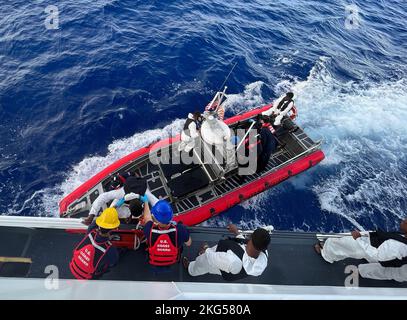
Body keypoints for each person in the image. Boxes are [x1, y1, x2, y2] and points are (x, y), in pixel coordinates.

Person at [315, 219, 407, 282]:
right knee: (395, 271)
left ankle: (326, 252)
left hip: (372, 247)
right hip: (390, 254)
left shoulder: (397, 246)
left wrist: (358, 239)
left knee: (341, 242)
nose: (404, 220)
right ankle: (363, 270)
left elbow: (377, 255)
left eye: (406, 222)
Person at [183, 224, 270, 281]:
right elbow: (244, 244)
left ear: (251, 238)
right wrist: (236, 232)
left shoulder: (232, 260)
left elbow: (211, 258)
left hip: (220, 262)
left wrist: (206, 250)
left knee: (203, 263)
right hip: (226, 263)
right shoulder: (263, 257)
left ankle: (191, 269)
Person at [69, 208, 120, 280]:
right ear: (114, 228)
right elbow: (113, 262)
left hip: (75, 266)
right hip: (88, 276)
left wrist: (104, 218)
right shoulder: (110, 249)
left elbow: (94, 223)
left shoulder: (91, 231)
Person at [83, 175, 150, 225]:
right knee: (112, 211)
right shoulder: (121, 194)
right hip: (124, 200)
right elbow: (102, 197)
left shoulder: (146, 197)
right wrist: (92, 214)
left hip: (134, 202)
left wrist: (131, 216)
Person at [142, 199, 192, 266]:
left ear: (155, 218)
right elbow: (189, 243)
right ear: (171, 216)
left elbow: (147, 218)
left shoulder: (149, 229)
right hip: (172, 260)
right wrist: (183, 231)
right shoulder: (180, 229)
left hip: (153, 260)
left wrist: (145, 201)